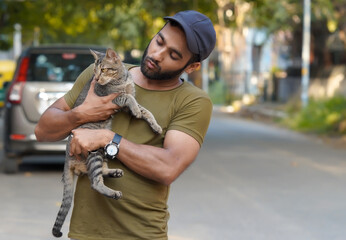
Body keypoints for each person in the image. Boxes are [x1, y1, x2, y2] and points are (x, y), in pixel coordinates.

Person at [35, 10, 216, 240]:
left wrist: (107, 139)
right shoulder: (99, 73)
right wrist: (80, 114)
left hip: (142, 234)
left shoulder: (193, 101)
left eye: (173, 54)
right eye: (159, 41)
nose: (157, 54)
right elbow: (42, 131)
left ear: (192, 67)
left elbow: (169, 166)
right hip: (84, 233)